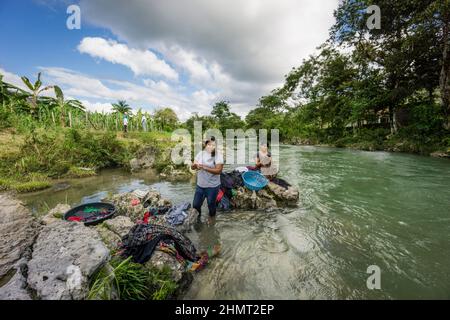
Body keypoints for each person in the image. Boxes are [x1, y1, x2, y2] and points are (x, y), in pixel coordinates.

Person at [191, 136, 224, 224]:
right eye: (208, 144)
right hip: (200, 185)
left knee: (211, 204)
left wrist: (204, 167)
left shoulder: (218, 156)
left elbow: (218, 171)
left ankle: (212, 219)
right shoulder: (200, 154)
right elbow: (193, 166)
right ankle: (198, 220)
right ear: (205, 145)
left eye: (212, 145)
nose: (210, 146)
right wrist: (194, 165)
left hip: (212, 186)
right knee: (196, 205)